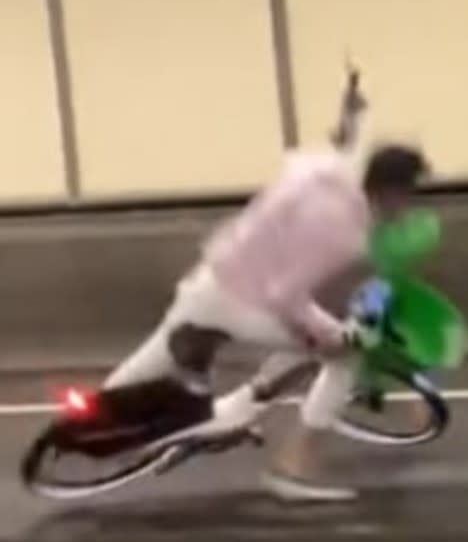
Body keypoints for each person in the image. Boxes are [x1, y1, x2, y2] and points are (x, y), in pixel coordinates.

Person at [104, 75, 430, 502]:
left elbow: (339, 147)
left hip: (212, 278)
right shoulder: (342, 230)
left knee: (143, 370)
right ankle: (292, 470)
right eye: (408, 196)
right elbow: (285, 296)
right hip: (241, 301)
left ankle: (111, 416)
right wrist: (332, 336)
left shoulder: (326, 171)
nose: (408, 207)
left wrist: (352, 116)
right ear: (390, 191)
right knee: (343, 355)